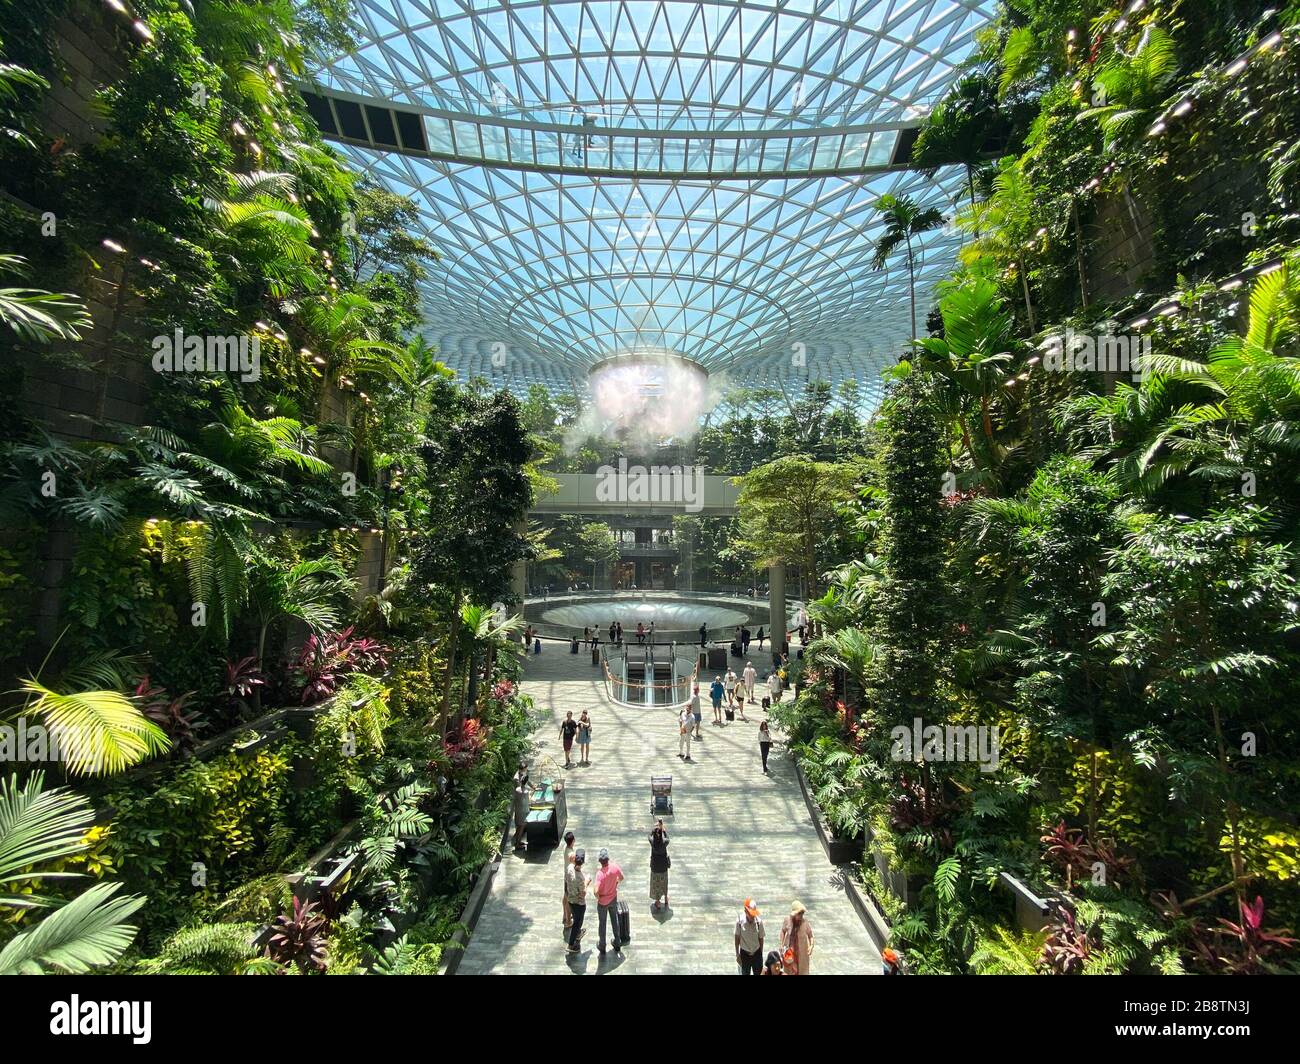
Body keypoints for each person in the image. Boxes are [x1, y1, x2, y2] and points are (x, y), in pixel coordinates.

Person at [595, 848, 624, 956]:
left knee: (602, 924)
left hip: (602, 902)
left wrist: (599, 897)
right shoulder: (614, 867)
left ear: (600, 861)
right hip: (613, 898)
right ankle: (617, 941)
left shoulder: (600, 874)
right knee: (614, 920)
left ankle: (602, 945)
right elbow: (621, 877)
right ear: (608, 859)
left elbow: (595, 891)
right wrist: (615, 883)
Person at [566, 849, 590, 953]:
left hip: (570, 899)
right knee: (577, 922)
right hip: (579, 903)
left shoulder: (569, 868)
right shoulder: (580, 878)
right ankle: (571, 944)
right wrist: (587, 882)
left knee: (575, 918)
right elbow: (583, 893)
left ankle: (578, 932)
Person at [780, 901, 814, 975]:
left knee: (802, 972)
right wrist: (781, 944)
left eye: (802, 914)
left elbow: (811, 935)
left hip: (802, 954)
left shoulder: (805, 922)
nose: (801, 916)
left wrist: (811, 946)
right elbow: (783, 931)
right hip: (789, 952)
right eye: (799, 914)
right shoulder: (787, 920)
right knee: (789, 971)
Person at [735, 898, 765, 975]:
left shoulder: (759, 922)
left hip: (756, 953)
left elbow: (761, 938)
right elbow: (737, 938)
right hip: (744, 954)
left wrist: (760, 953)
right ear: (745, 911)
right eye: (750, 914)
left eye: (753, 914)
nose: (752, 916)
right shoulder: (739, 922)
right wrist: (737, 954)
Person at [648, 820, 670, 911]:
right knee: (664, 882)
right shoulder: (664, 842)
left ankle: (657, 901)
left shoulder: (652, 842)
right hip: (663, 866)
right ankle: (665, 898)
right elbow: (668, 838)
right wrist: (663, 830)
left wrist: (654, 830)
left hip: (655, 866)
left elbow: (649, 836)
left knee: (656, 883)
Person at [512, 766, 530, 850]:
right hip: (523, 811)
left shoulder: (517, 789)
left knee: (519, 826)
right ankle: (517, 844)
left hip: (518, 809)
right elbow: (526, 803)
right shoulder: (526, 792)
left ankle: (518, 841)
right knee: (521, 827)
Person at [562, 830, 576, 929]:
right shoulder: (571, 854)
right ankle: (568, 920)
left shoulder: (565, 848)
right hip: (569, 878)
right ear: (573, 840)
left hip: (565, 876)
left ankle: (564, 915)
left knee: (565, 896)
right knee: (568, 899)